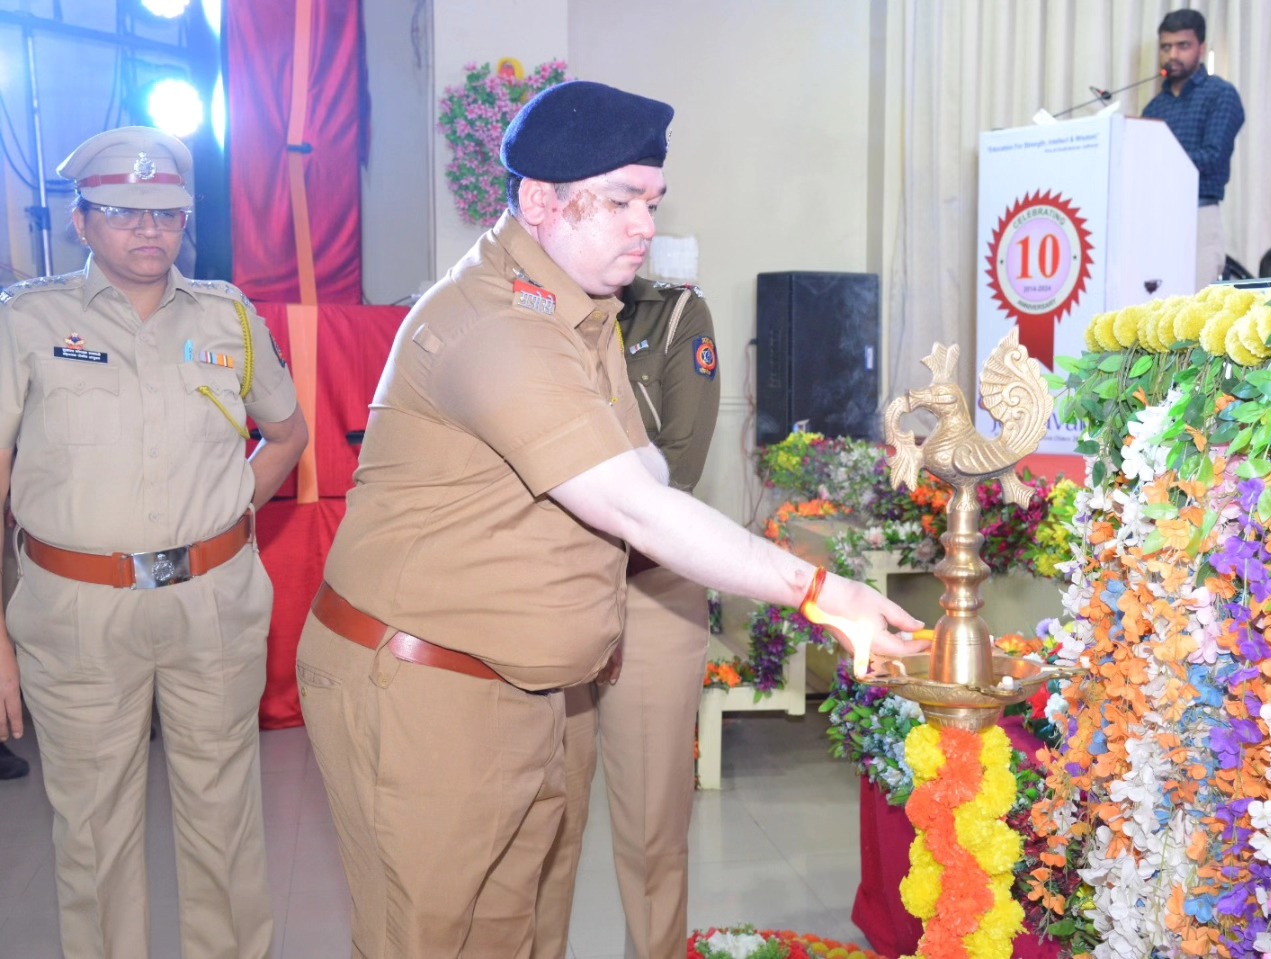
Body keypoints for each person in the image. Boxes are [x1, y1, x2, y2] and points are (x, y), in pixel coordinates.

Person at [295, 80, 927, 959]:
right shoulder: (498, 326)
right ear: (540, 201)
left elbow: (645, 470)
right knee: (428, 939)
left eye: (653, 203)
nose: (645, 227)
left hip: (517, 683)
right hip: (424, 687)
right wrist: (821, 591)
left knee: (511, 934)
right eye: (623, 201)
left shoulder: (580, 315)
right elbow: (637, 503)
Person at [0, 126, 308, 958]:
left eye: (166, 214)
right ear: (80, 221)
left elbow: (286, 433)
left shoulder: (227, 314)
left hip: (212, 604)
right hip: (77, 612)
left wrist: (230, 515)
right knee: (93, 830)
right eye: (124, 213)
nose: (149, 230)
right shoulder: (26, 320)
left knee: (225, 818)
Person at [532, 275, 720, 959]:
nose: (638, 227)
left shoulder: (671, 313)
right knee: (541, 828)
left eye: (645, 217)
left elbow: (678, 465)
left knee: (652, 833)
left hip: (648, 589)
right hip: (543, 594)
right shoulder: (517, 310)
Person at [1141, 8, 1245, 286]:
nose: (1172, 55)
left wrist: (1160, 162)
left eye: (1182, 46)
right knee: (1155, 305)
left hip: (1198, 214)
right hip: (1156, 217)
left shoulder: (1220, 94)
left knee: (1195, 304)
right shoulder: (1154, 107)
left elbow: (1212, 157)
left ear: (1201, 49)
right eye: (1166, 47)